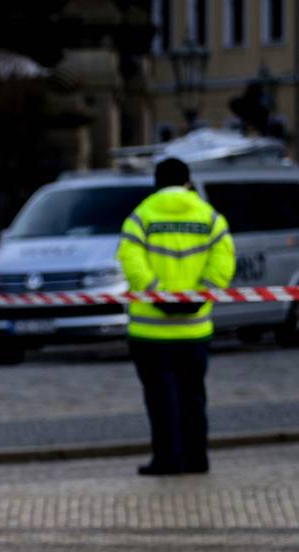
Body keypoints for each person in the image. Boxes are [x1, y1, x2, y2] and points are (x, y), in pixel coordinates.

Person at [117, 157, 235, 475]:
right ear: (187, 181)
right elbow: (224, 260)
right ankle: (197, 459)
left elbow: (130, 257)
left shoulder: (142, 216)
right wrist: (199, 295)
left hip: (150, 331)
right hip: (195, 330)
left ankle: (168, 459)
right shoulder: (209, 216)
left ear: (157, 181)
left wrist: (158, 294)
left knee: (160, 399)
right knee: (193, 396)